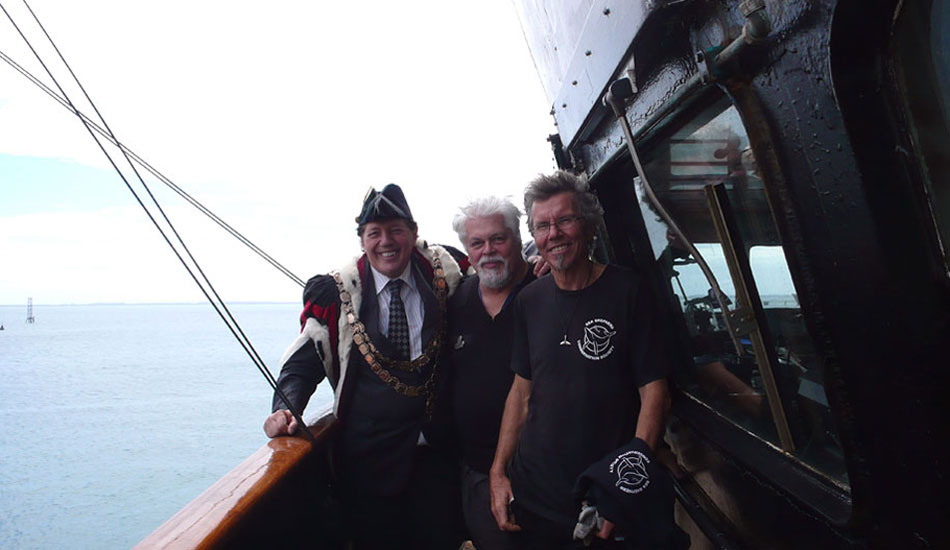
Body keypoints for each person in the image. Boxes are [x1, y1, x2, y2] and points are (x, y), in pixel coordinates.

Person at [262, 184, 466, 550]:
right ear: (362, 240)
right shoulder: (337, 295)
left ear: (414, 233)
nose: (385, 242)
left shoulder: (446, 272)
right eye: (374, 233)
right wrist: (285, 408)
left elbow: (497, 280)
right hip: (369, 466)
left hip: (440, 456)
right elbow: (301, 366)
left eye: (395, 230)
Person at [489, 171, 674, 549]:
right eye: (542, 226)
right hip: (535, 496)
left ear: (588, 226)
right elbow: (521, 393)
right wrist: (497, 472)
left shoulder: (628, 291)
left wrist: (625, 487)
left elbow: (655, 393)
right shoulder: (529, 301)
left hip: (603, 491)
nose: (553, 234)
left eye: (565, 220)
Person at [445, 196, 535, 550]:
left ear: (516, 238)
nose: (488, 251)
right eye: (477, 243)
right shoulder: (456, 302)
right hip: (478, 473)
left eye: (498, 239)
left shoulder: (548, 289)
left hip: (549, 472)